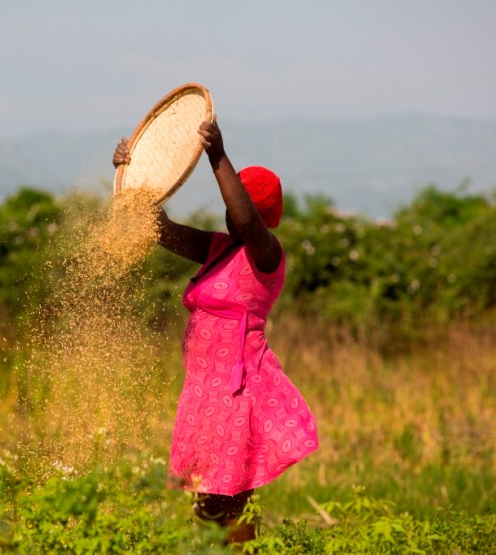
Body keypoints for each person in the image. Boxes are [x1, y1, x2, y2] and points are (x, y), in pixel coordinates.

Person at [113, 116, 319, 547]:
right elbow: (162, 230)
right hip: (203, 393)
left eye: (236, 206)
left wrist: (217, 155)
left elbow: (245, 221)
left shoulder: (265, 254)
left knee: (231, 499)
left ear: (256, 214)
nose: (229, 214)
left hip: (236, 391)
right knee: (207, 499)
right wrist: (133, 174)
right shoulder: (216, 249)